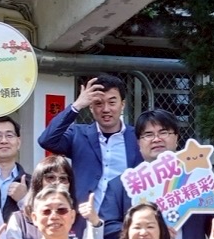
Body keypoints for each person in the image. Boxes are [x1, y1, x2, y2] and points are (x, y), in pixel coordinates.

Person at [96, 108, 214, 239]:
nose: (156, 139)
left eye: (163, 132)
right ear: (139, 143)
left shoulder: (195, 179)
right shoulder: (121, 186)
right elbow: (107, 229)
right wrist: (148, 229)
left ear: (176, 138)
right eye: (148, 134)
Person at [37, 73, 138, 212]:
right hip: (84, 216)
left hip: (126, 217)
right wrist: (77, 105)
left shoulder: (137, 137)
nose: (106, 109)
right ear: (90, 107)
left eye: (112, 102)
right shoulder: (78, 134)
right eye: (98, 103)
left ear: (123, 104)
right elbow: (47, 140)